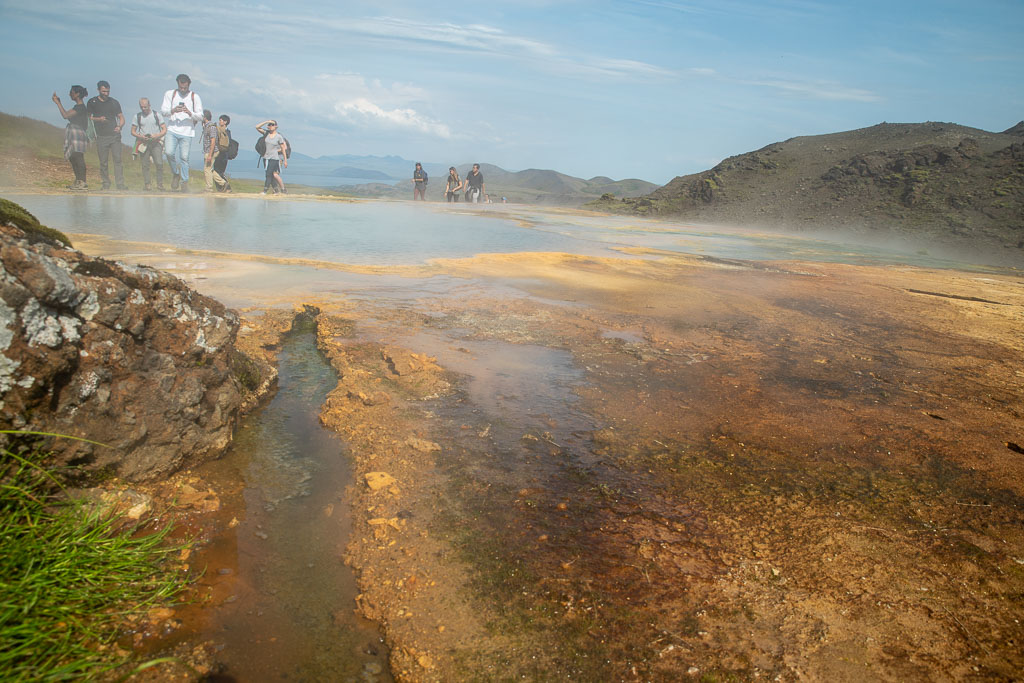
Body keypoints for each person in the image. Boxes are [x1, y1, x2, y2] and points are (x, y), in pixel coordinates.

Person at [160, 74, 204, 192]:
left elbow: (201, 116)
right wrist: (173, 110)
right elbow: (163, 112)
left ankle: (184, 181)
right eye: (181, 87)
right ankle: (175, 173)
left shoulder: (195, 97)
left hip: (187, 131)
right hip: (172, 129)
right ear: (177, 84)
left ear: (189, 84)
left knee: (184, 157)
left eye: (185, 87)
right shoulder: (170, 94)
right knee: (168, 153)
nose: (182, 90)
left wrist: (190, 113)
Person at [87, 80, 126, 190]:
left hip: (114, 136)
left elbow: (121, 117)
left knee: (117, 160)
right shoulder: (92, 102)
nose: (106, 93)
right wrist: (98, 119)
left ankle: (120, 184)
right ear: (98, 90)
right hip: (101, 136)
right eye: (104, 91)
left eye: (108, 91)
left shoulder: (114, 102)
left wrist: (120, 126)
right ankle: (106, 183)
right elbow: (88, 118)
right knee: (103, 162)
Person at [51, 86, 89, 191]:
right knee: (73, 157)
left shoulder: (80, 107)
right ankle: (78, 181)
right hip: (74, 131)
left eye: (71, 92)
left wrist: (58, 103)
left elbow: (65, 115)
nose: (70, 94)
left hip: (78, 132)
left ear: (77, 94)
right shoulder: (78, 106)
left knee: (78, 156)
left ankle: (82, 181)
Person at [130, 98, 166, 191]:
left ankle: (160, 184)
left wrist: (156, 135)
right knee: (145, 164)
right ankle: (147, 184)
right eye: (141, 107)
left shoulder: (157, 115)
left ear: (149, 105)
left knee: (159, 163)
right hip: (144, 143)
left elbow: (164, 129)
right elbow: (132, 131)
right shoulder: (137, 116)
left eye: (145, 107)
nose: (143, 109)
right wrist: (140, 136)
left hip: (156, 142)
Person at [255, 119, 288, 194]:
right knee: (270, 175)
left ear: (276, 126)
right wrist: (266, 121)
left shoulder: (279, 136)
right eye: (269, 125)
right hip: (265, 157)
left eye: (272, 124)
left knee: (269, 174)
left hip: (274, 158)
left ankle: (265, 190)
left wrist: (285, 160)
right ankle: (276, 190)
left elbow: (283, 148)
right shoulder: (266, 133)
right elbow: (257, 127)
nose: (270, 126)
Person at [211, 115, 232, 193]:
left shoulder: (226, 132)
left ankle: (225, 187)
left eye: (221, 120)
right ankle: (222, 189)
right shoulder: (225, 131)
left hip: (222, 154)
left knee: (218, 172)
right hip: (222, 154)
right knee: (218, 172)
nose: (220, 122)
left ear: (225, 122)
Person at [201, 109, 217, 191]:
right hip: (208, 150)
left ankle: (209, 187)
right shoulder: (207, 126)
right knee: (210, 169)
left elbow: (213, 142)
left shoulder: (211, 127)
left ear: (204, 117)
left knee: (207, 169)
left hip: (210, 151)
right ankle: (223, 183)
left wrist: (210, 155)